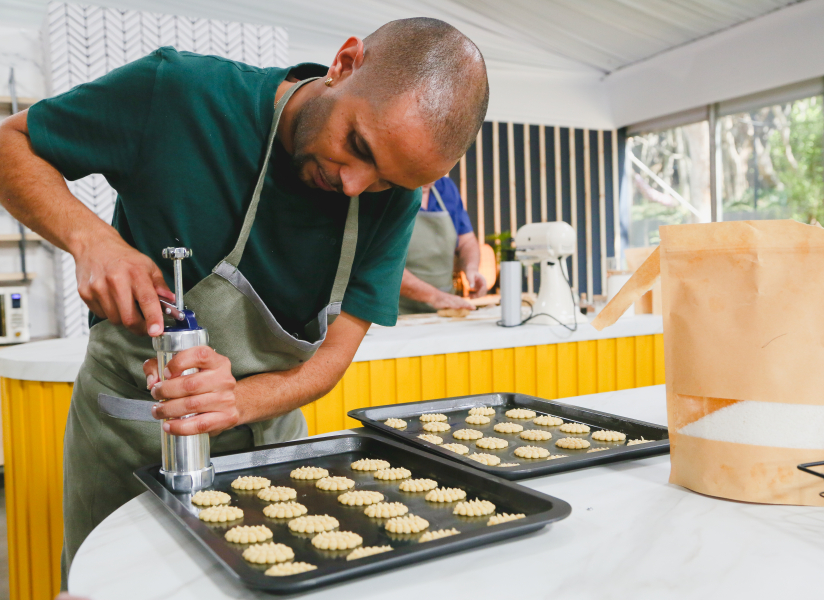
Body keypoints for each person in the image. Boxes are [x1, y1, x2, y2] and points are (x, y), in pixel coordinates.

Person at [0, 17, 488, 586]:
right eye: (356, 146)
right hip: (132, 438)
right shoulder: (179, 94)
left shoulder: (390, 197)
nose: (356, 184)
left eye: (386, 181)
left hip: (270, 445)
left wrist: (236, 400)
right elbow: (11, 144)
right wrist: (92, 241)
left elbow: (332, 358)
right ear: (344, 63)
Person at [399, 176, 487, 313]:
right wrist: (435, 297)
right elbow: (383, 263)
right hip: (398, 312)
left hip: (444, 309)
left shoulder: (446, 188)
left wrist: (471, 268)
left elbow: (467, 241)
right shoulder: (389, 190)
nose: (430, 179)